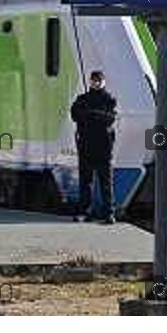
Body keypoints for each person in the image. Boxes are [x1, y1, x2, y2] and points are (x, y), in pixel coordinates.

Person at [70, 71, 118, 224]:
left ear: (103, 82)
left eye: (99, 80)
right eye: (94, 80)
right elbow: (75, 115)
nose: (96, 83)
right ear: (90, 82)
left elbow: (109, 119)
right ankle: (85, 211)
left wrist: (90, 115)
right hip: (86, 147)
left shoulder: (109, 99)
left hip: (104, 147)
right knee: (86, 182)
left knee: (106, 183)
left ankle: (109, 213)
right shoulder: (82, 99)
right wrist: (97, 116)